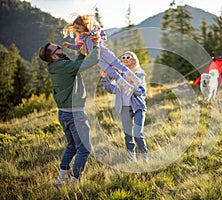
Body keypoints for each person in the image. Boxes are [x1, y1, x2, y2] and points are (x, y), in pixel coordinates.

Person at [39, 37, 100, 186]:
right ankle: (74, 182)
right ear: (53, 56)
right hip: (75, 114)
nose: (61, 48)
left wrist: (82, 54)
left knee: (72, 146)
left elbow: (74, 67)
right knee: (84, 149)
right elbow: (89, 63)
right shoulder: (64, 66)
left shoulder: (55, 67)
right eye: (57, 48)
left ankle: (61, 179)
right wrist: (97, 47)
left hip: (64, 113)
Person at [62, 14, 141, 96]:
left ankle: (135, 79)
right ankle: (127, 87)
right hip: (97, 58)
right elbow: (79, 47)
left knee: (119, 65)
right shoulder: (81, 38)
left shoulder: (94, 30)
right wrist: (70, 46)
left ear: (84, 25)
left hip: (103, 52)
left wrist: (88, 34)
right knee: (112, 73)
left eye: (78, 27)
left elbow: (96, 32)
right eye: (75, 28)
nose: (76, 30)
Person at [101, 51, 148, 162]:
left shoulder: (139, 74)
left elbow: (141, 92)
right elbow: (111, 89)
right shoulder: (119, 76)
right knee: (128, 135)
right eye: (123, 57)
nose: (126, 59)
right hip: (125, 108)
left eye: (129, 57)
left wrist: (132, 84)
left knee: (137, 132)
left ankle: (144, 157)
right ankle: (131, 159)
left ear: (133, 60)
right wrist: (104, 78)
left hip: (138, 107)